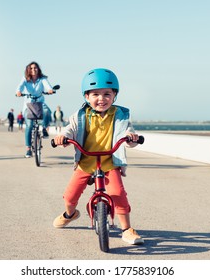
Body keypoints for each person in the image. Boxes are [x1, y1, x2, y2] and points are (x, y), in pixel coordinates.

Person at [52, 68, 144, 245]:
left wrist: (132, 138)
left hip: (109, 162)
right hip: (86, 162)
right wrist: (64, 138)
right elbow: (70, 130)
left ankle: (127, 229)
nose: (101, 99)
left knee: (117, 193)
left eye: (107, 94)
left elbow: (128, 133)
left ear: (114, 95)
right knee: (70, 196)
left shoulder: (120, 115)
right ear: (87, 97)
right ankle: (70, 214)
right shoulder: (80, 115)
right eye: (95, 94)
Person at [16, 61, 55, 158]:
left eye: (35, 68)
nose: (33, 70)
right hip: (28, 105)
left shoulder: (42, 79)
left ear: (38, 69)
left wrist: (50, 90)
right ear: (28, 70)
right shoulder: (25, 79)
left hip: (40, 103)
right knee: (29, 125)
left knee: (47, 111)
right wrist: (18, 92)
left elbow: (47, 85)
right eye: (31, 68)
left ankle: (45, 128)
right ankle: (28, 148)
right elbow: (19, 87)